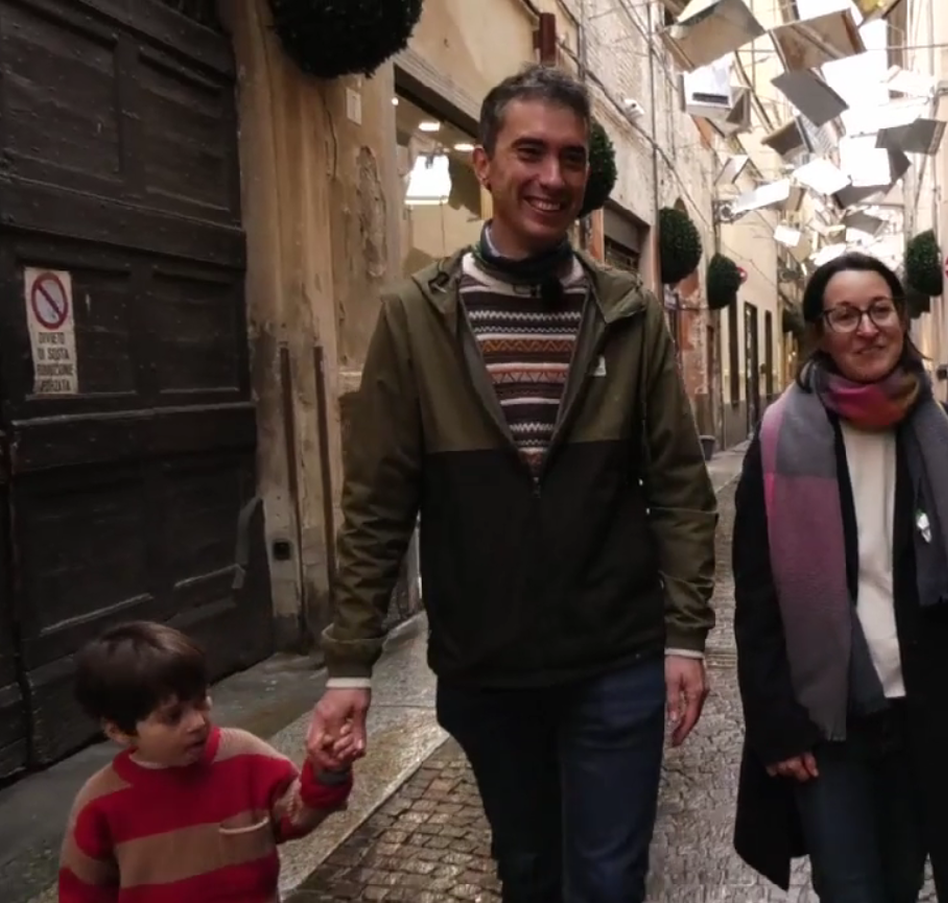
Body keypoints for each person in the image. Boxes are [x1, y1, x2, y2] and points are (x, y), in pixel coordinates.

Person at [305, 64, 718, 903]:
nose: (552, 177)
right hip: (488, 667)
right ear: (483, 164)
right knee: (528, 869)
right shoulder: (417, 317)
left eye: (571, 158)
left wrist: (685, 636)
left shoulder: (628, 315)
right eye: (529, 152)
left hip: (616, 656)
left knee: (607, 880)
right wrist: (350, 662)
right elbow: (379, 499)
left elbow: (678, 486)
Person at [731, 251, 948, 903]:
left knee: (901, 883)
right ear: (820, 331)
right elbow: (756, 599)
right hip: (829, 713)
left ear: (901, 317)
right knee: (849, 887)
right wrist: (775, 723)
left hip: (927, 700)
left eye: (879, 309)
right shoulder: (781, 437)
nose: (866, 328)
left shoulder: (942, 429)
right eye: (845, 314)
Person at [57, 621, 356, 903]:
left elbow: (296, 814)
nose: (198, 722)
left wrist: (328, 769)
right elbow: (83, 894)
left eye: (201, 701)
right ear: (119, 730)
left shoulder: (246, 756)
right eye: (173, 716)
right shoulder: (99, 803)